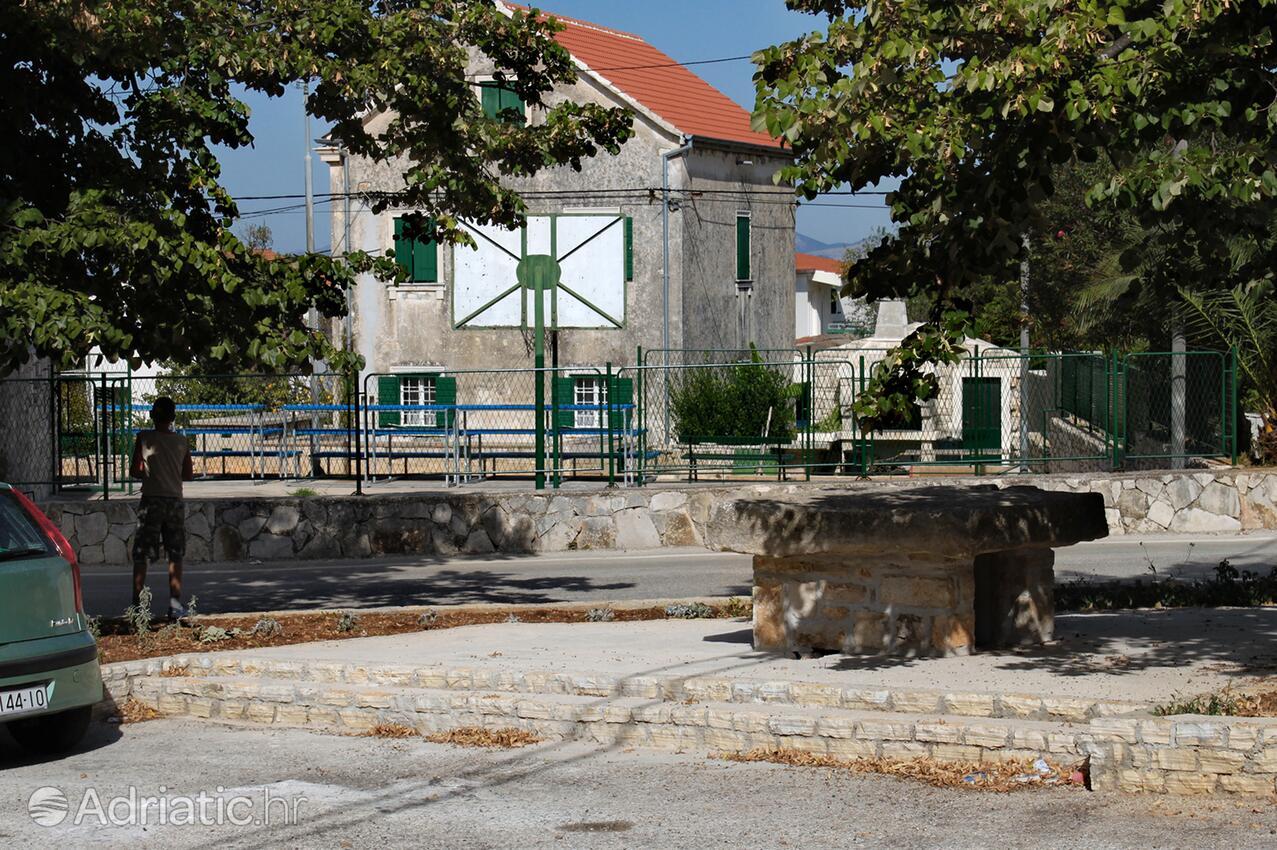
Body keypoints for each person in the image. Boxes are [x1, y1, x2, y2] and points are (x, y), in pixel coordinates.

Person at [130, 396, 194, 620]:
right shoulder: (182, 442)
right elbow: (188, 474)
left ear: (151, 415)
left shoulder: (144, 438)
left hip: (150, 501)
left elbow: (135, 471)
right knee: (175, 554)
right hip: (174, 501)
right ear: (173, 417)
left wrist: (151, 472)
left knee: (142, 555)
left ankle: (138, 606)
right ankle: (175, 605)